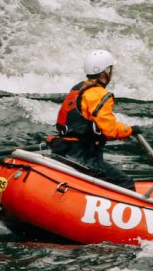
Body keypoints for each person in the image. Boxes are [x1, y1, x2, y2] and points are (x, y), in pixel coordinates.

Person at [48, 49, 137, 190]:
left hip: (65, 150)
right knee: (126, 182)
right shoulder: (99, 94)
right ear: (104, 73)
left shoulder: (79, 88)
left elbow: (85, 127)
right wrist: (130, 130)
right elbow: (110, 129)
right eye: (109, 70)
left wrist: (115, 136)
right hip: (84, 157)